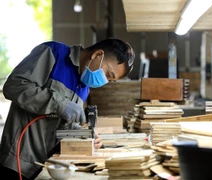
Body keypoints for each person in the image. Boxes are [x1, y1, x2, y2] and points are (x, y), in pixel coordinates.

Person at [0, 38, 135, 180]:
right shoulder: (53, 53)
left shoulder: (84, 87)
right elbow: (13, 86)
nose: (105, 81)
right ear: (97, 55)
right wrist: (60, 104)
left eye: (110, 81)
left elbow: (63, 122)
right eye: (108, 74)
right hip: (17, 162)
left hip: (49, 165)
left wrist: (82, 134)